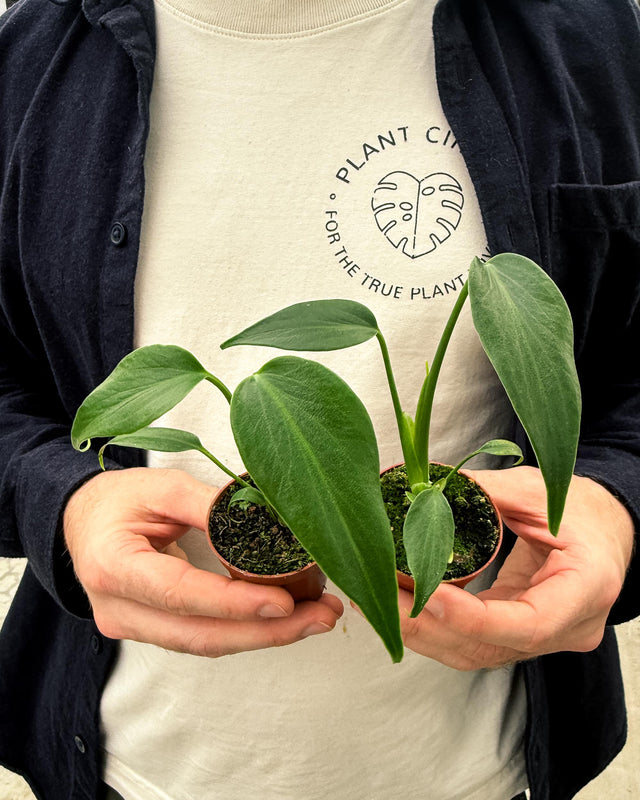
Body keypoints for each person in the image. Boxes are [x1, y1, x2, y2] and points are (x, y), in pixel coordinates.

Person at [0, 0, 638, 798]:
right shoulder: (32, 58)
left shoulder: (591, 34)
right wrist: (64, 506)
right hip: (126, 763)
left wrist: (616, 504)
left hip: (488, 767)